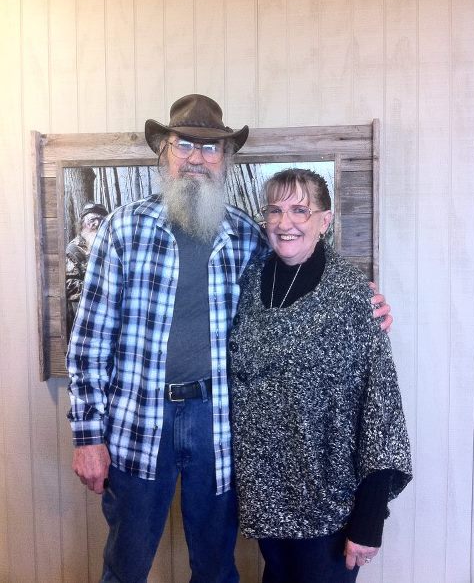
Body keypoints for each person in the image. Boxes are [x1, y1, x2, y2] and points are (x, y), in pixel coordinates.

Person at [67, 95, 393, 583]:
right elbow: (90, 341)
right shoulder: (123, 229)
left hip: (218, 423)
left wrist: (364, 302)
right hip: (137, 419)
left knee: (216, 567)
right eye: (184, 145)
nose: (196, 158)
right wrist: (88, 436)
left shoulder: (247, 236)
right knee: (125, 565)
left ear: (226, 158)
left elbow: (300, 276)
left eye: (210, 147)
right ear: (164, 153)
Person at [228, 168, 412, 583]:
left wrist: (369, 520)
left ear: (324, 221)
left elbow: (381, 408)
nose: (285, 222)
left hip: (328, 507)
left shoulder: (349, 293)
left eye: (300, 210)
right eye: (274, 210)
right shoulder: (250, 282)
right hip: (265, 500)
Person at [65, 202, 108, 336]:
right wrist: (100, 290)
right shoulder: (73, 249)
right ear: (83, 223)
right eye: (92, 220)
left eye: (101, 220)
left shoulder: (108, 246)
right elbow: (69, 285)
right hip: (83, 313)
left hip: (107, 311)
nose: (97, 223)